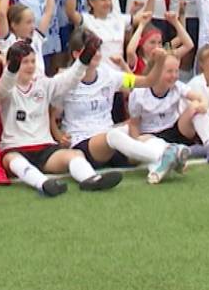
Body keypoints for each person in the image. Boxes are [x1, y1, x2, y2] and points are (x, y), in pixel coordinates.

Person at [0, 35, 123, 196]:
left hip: (45, 148)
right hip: (15, 147)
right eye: (24, 62)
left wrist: (85, 58)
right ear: (12, 64)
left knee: (75, 155)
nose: (30, 66)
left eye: (32, 61)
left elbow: (69, 79)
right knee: (13, 160)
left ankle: (91, 179)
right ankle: (43, 184)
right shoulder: (7, 90)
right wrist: (11, 69)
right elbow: (3, 87)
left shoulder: (43, 84)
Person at [54, 37, 191, 184]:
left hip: (111, 140)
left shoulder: (109, 75)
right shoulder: (64, 79)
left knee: (138, 135)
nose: (97, 54)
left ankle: (160, 164)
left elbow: (146, 82)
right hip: (83, 142)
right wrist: (59, 135)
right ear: (76, 54)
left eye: (98, 50)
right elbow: (50, 114)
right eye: (91, 51)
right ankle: (163, 156)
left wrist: (159, 62)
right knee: (114, 135)